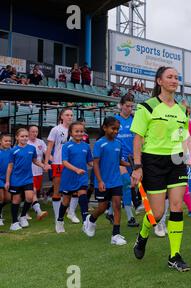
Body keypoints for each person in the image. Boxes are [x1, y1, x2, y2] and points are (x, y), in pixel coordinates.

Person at [131, 66, 191, 272]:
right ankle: (143, 234)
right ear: (159, 81)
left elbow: (184, 136)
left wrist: (186, 154)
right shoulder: (146, 107)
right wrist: (137, 166)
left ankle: (174, 255)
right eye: (170, 77)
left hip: (176, 161)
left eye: (176, 77)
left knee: (176, 206)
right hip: (153, 161)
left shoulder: (182, 110)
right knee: (157, 213)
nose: (174, 80)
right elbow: (138, 139)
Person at [82, 117, 129, 245]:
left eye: (117, 129)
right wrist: (100, 181)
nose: (115, 131)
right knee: (102, 207)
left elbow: (119, 161)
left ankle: (116, 235)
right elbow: (96, 164)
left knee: (117, 206)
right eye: (113, 128)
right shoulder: (99, 144)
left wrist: (130, 164)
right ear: (105, 128)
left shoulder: (118, 144)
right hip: (102, 181)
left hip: (116, 181)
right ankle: (90, 220)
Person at [5, 128, 49, 231]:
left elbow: (34, 160)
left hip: (28, 178)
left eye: (26, 136)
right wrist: (7, 181)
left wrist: (43, 165)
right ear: (17, 137)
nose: (24, 138)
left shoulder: (31, 148)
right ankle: (14, 222)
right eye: (22, 136)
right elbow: (10, 167)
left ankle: (23, 216)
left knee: (29, 197)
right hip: (16, 179)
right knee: (16, 200)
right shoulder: (13, 150)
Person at [55, 122, 93, 233]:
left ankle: (86, 222)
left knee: (83, 195)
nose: (79, 133)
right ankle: (60, 220)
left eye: (81, 131)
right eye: (77, 131)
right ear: (71, 133)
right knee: (66, 201)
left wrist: (97, 166)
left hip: (82, 176)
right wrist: (76, 170)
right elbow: (64, 162)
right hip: (69, 177)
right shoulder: (66, 146)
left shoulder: (86, 146)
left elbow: (90, 161)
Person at [44, 108, 80, 224]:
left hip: (71, 164)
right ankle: (57, 218)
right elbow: (49, 146)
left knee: (75, 190)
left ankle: (71, 212)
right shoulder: (56, 129)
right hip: (58, 162)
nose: (70, 117)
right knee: (57, 190)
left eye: (71, 115)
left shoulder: (75, 130)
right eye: (67, 115)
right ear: (61, 117)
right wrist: (46, 162)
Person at [112, 94, 139, 227]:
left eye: (131, 106)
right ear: (121, 105)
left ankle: (109, 211)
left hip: (132, 158)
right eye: (127, 106)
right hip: (118, 158)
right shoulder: (114, 120)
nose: (129, 108)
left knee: (125, 185)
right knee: (126, 184)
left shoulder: (135, 120)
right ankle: (130, 216)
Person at [27, 125, 48, 219]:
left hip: (39, 171)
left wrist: (50, 162)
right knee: (33, 191)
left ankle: (24, 212)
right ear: (28, 132)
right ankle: (38, 212)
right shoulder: (25, 142)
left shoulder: (41, 142)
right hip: (28, 171)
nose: (35, 133)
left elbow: (47, 153)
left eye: (36, 131)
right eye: (32, 131)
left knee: (34, 192)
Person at [0, 134, 12, 226]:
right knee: (1, 198)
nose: (8, 143)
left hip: (7, 179)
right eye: (6, 141)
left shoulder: (12, 152)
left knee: (8, 199)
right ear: (1, 141)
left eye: (9, 141)